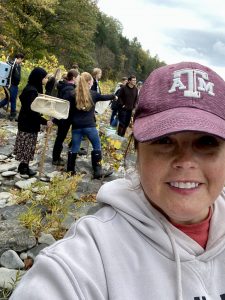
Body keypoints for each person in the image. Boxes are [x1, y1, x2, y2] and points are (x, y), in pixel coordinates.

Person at [10, 61, 225, 299]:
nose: (185, 161)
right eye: (164, 140)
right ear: (137, 150)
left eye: (207, 142)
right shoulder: (89, 259)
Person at [67, 71, 116, 179]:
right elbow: (106, 97)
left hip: (76, 126)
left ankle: (70, 171)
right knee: (96, 146)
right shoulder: (93, 94)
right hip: (90, 126)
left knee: (74, 148)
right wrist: (114, 96)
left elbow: (67, 109)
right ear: (89, 82)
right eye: (92, 81)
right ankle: (97, 171)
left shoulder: (72, 94)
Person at [14, 67, 52, 176]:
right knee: (28, 145)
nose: (46, 80)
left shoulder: (32, 88)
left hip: (26, 121)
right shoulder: (32, 91)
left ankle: (23, 166)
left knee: (27, 144)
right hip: (28, 122)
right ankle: (24, 168)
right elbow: (32, 111)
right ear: (39, 78)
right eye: (45, 78)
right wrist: (45, 122)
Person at [52, 69, 80, 166]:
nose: (79, 79)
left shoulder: (64, 85)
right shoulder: (69, 89)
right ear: (73, 78)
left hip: (61, 115)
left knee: (60, 137)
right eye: (78, 77)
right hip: (65, 117)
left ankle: (56, 156)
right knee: (60, 137)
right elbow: (67, 104)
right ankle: (55, 158)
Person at [0, 53, 24, 120]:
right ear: (19, 58)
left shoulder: (13, 64)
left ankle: (12, 113)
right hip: (12, 85)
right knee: (13, 99)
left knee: (8, 98)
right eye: (21, 60)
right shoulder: (14, 65)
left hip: (9, 84)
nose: (21, 61)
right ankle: (13, 114)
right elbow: (15, 76)